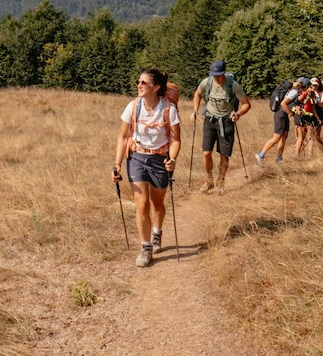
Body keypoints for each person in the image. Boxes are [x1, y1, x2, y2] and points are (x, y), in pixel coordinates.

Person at [113, 68, 181, 267]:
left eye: (144, 83)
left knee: (157, 203)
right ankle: (145, 247)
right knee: (141, 205)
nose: (139, 85)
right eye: (138, 82)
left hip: (160, 159)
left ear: (156, 87)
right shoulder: (133, 106)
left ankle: (157, 233)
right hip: (136, 157)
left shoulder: (169, 109)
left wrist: (173, 159)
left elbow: (176, 140)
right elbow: (123, 137)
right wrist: (117, 165)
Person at [191, 60, 251, 195]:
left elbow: (246, 104)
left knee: (224, 154)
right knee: (206, 153)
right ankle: (208, 180)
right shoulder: (207, 82)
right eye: (214, 75)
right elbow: (197, 93)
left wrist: (238, 114)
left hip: (226, 122)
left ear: (224, 73)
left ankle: (220, 181)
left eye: (218, 75)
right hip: (210, 120)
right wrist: (195, 109)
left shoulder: (233, 86)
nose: (216, 78)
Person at [255, 80, 300, 166]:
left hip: (283, 115)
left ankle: (279, 158)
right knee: (276, 137)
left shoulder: (287, 91)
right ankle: (261, 154)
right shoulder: (293, 92)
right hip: (281, 116)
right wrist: (290, 113)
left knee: (284, 137)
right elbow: (283, 104)